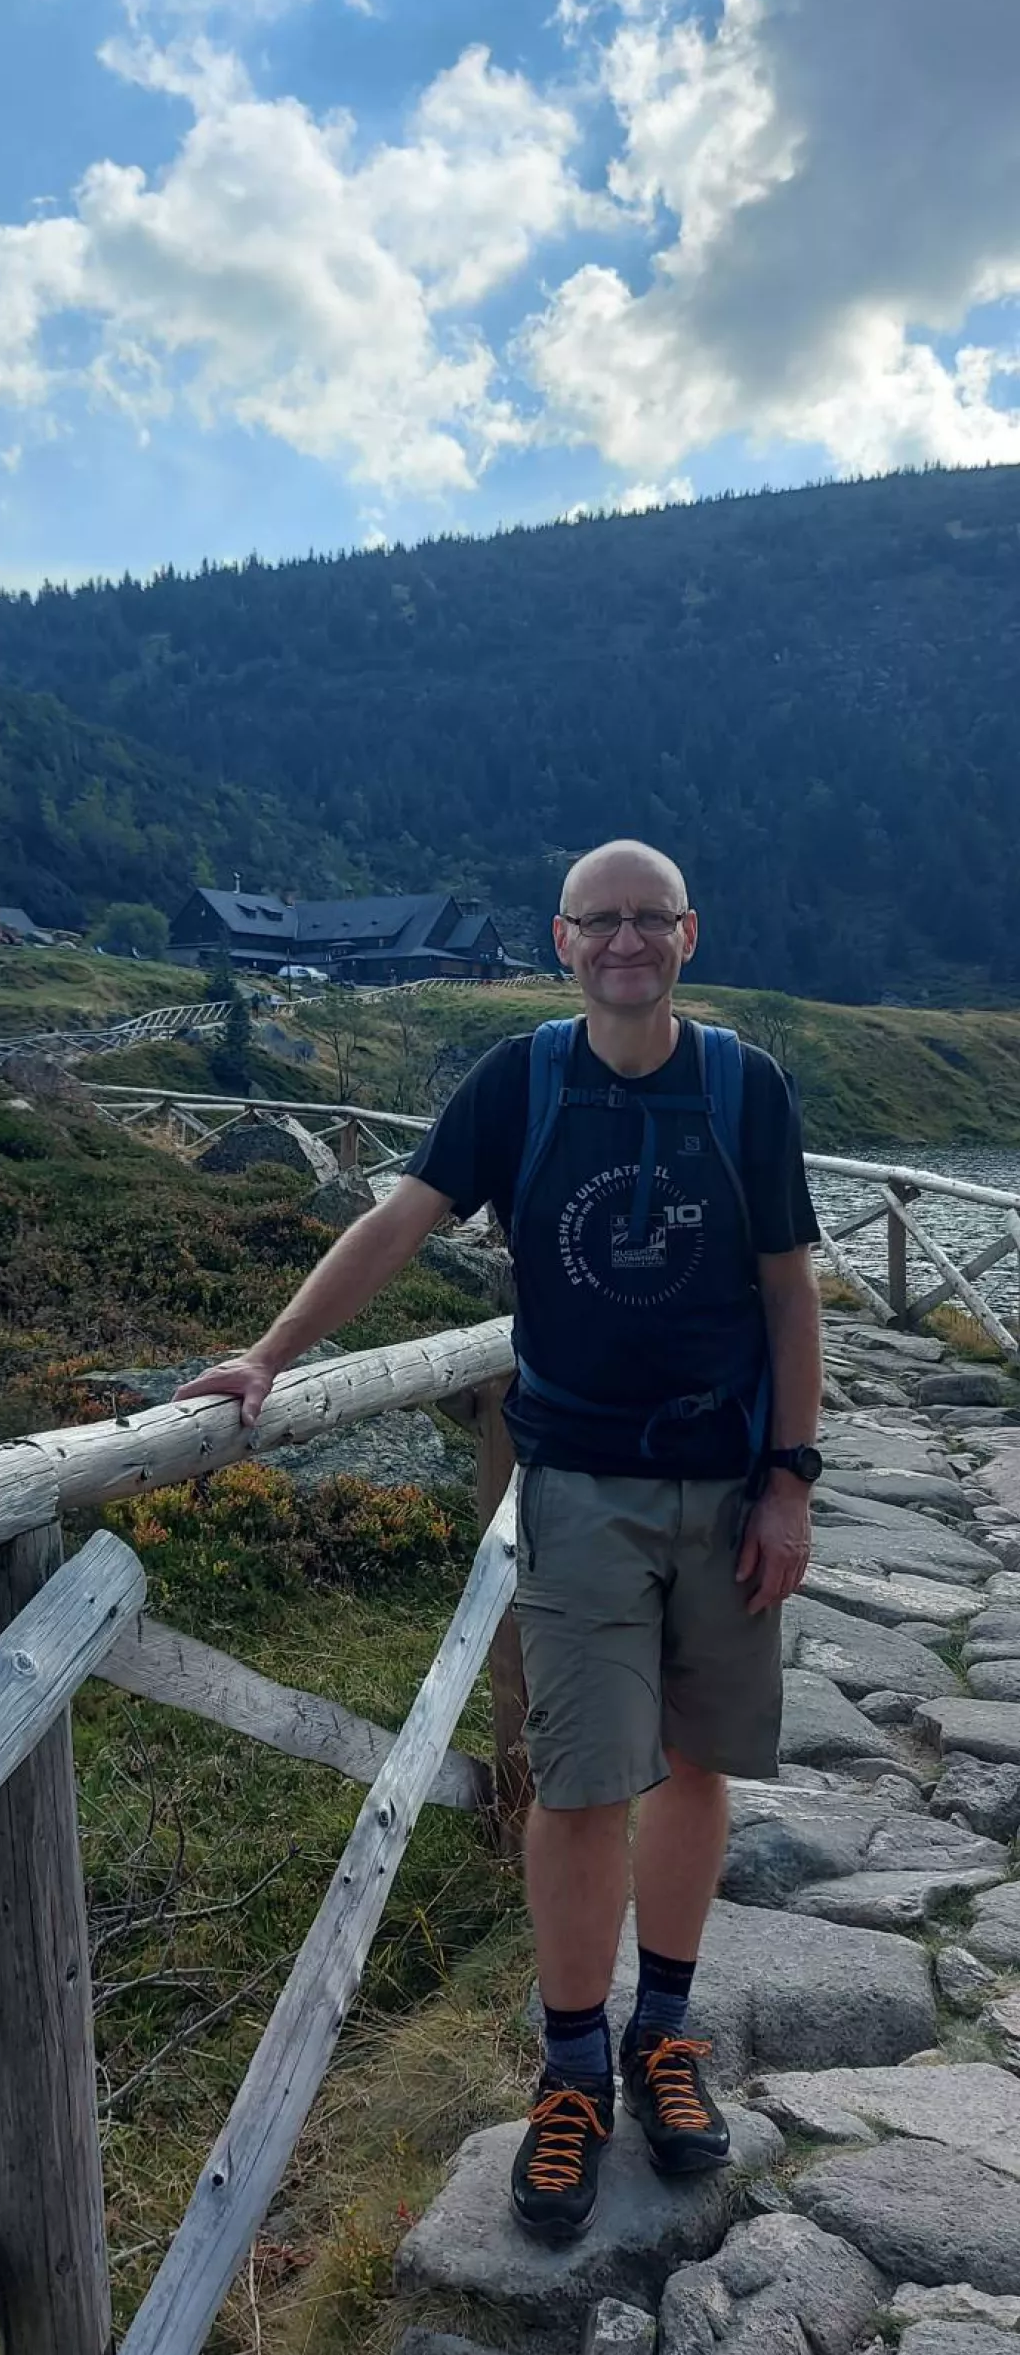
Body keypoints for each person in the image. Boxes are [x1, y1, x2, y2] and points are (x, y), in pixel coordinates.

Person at [176, 842, 822, 2246]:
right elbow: (398, 1221)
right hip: (578, 1487)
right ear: (562, 941)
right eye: (601, 922)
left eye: (649, 919)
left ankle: (665, 2034)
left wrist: (791, 1481)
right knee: (581, 1786)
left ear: (689, 935)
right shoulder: (518, 1082)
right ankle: (574, 2073)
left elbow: (789, 1293)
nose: (626, 942)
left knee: (699, 1764)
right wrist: (270, 1354)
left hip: (727, 1485)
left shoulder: (746, 1087)